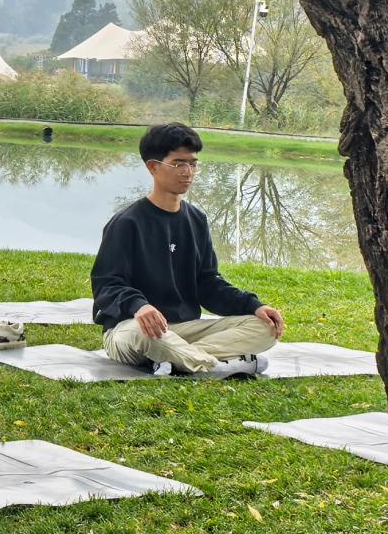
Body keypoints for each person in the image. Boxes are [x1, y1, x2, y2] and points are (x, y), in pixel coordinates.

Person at [92, 122, 285, 373]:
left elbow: (208, 283)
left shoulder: (196, 220)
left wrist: (254, 306)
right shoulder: (127, 222)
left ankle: (176, 362)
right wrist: (140, 306)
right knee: (141, 334)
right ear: (153, 167)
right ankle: (213, 366)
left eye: (193, 164)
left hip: (185, 330)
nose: (188, 172)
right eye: (179, 163)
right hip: (132, 329)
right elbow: (107, 285)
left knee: (263, 328)